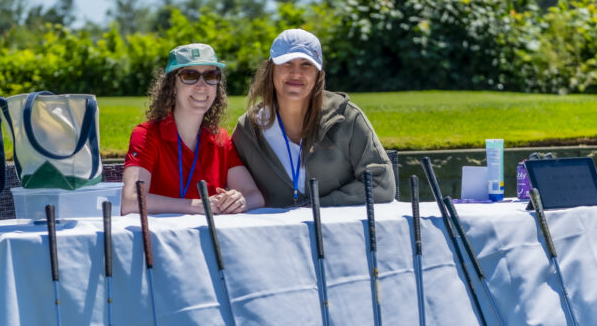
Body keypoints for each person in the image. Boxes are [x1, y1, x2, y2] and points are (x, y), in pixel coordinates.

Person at [231, 28, 395, 208]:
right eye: (287, 63)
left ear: (319, 74)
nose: (296, 73)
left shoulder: (347, 118)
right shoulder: (248, 130)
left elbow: (381, 184)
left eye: (306, 64)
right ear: (270, 69)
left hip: (336, 227)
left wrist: (316, 206)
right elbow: (230, 188)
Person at [122, 43, 264, 215]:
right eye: (190, 75)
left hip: (209, 232)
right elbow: (131, 201)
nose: (202, 86)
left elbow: (255, 197)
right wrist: (198, 206)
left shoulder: (220, 138)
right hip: (159, 233)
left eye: (211, 75)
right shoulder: (146, 135)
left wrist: (239, 201)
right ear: (172, 86)